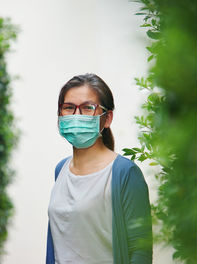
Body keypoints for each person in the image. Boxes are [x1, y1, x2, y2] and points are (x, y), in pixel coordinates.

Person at [46, 73, 153, 264]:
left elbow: (140, 250)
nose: (76, 115)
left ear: (107, 118)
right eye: (69, 108)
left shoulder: (125, 173)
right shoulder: (61, 170)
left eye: (88, 108)